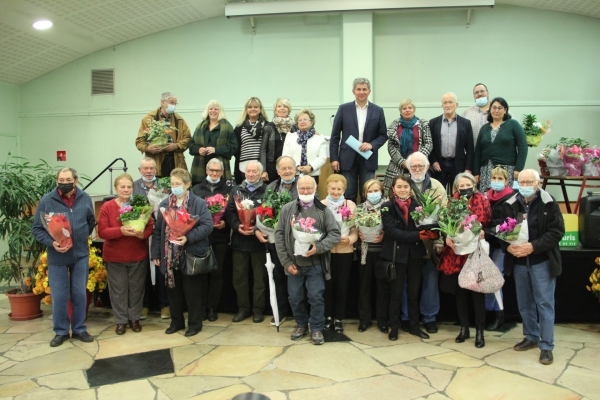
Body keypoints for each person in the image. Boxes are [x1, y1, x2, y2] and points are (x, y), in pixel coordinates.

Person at [500, 169, 564, 365]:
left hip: (541, 261)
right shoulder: (510, 203)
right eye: (521, 182)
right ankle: (531, 336)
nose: (525, 185)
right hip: (519, 263)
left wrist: (533, 247)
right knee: (524, 303)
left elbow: (557, 231)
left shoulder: (549, 202)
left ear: (538, 183)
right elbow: (501, 230)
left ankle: (546, 346)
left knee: (544, 304)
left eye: (529, 182)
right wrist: (508, 247)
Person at [32, 167, 96, 347]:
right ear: (56, 181)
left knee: (79, 294)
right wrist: (52, 243)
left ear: (75, 181)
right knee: (59, 296)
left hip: (80, 255)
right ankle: (60, 331)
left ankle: (79, 329)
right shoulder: (47, 200)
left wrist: (81, 238)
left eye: (68, 180)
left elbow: (91, 222)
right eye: (61, 180)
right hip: (57, 256)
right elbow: (36, 228)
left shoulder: (85, 199)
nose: (64, 183)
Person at [275, 175, 341, 345]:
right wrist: (286, 262)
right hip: (293, 265)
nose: (305, 191)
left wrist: (318, 247)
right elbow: (279, 235)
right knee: (295, 298)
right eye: (302, 188)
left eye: (309, 188)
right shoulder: (287, 209)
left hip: (315, 264)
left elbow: (335, 234)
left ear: (315, 188)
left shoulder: (323, 211)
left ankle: (317, 328)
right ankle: (301, 324)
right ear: (297, 189)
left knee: (316, 297)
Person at [151, 168, 213, 337]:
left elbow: (207, 226)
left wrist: (188, 238)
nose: (174, 187)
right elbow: (158, 231)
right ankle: (176, 322)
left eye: (178, 184)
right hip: (169, 256)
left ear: (187, 184)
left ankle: (194, 324)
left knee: (192, 292)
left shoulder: (198, 203)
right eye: (172, 184)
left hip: (190, 254)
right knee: (173, 291)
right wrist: (155, 254)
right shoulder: (164, 204)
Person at [437, 172, 491, 348]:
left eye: (468, 185)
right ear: (456, 188)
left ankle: (480, 332)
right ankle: (464, 328)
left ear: (474, 185)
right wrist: (446, 237)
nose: (465, 188)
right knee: (459, 293)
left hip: (475, 251)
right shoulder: (451, 202)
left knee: (477, 293)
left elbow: (489, 221)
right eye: (461, 186)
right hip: (457, 253)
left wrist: (483, 232)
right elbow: (444, 224)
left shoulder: (482, 200)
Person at [380, 174, 436, 341]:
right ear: (393, 189)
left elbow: (428, 227)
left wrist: (431, 232)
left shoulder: (419, 206)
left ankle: (414, 326)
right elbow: (392, 232)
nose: (402, 190)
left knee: (413, 292)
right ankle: (394, 327)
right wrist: (419, 236)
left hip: (415, 255)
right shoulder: (387, 206)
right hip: (396, 255)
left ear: (411, 189)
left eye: (406, 187)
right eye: (399, 187)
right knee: (396, 293)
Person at [98, 173, 154, 335]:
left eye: (129, 186)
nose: (126, 189)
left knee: (136, 290)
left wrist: (141, 234)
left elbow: (150, 227)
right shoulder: (107, 207)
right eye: (122, 186)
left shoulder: (141, 205)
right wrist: (120, 231)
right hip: (115, 257)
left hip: (137, 255)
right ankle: (121, 321)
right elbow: (102, 231)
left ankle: (134, 319)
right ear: (116, 188)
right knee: (119, 291)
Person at [399, 152, 448, 334]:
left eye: (421, 166)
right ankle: (406, 316)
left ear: (427, 167)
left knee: (430, 280)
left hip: (430, 242)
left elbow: (443, 214)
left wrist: (440, 240)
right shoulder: (402, 185)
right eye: (413, 167)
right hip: (408, 242)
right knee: (406, 282)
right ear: (408, 168)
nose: (417, 169)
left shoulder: (436, 186)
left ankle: (429, 317)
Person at [256, 156, 301, 325]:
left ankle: (300, 315)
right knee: (279, 277)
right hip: (277, 241)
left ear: (295, 169)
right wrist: (257, 229)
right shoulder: (271, 187)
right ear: (278, 171)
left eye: (290, 167)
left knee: (297, 277)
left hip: (298, 241)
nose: (287, 171)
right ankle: (281, 312)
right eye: (284, 168)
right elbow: (263, 211)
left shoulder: (304, 185)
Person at [330, 77, 387, 203]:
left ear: (369, 91)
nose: (361, 92)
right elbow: (334, 136)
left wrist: (371, 145)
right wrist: (334, 158)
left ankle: (367, 221)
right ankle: (350, 220)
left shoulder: (378, 111)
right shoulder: (343, 109)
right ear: (353, 91)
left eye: (364, 89)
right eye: (359, 89)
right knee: (349, 193)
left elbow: (383, 135)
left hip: (368, 157)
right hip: (347, 157)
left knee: (368, 193)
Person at [225, 161, 268, 323]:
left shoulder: (267, 190)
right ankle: (243, 309)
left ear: (261, 173)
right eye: (248, 171)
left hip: (259, 242)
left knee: (259, 279)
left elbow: (268, 212)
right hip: (239, 241)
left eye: (254, 172)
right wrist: (238, 226)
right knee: (239, 278)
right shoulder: (236, 190)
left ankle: (258, 310)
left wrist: (256, 228)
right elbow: (229, 212)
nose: (251, 174)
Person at [192, 159, 232, 322]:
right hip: (201, 238)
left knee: (217, 273)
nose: (214, 173)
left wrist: (226, 223)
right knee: (201, 274)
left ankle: (212, 308)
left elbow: (231, 212)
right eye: (212, 170)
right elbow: (192, 213)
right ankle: (201, 307)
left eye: (218, 171)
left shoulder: (228, 189)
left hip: (220, 238)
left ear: (222, 173)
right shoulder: (196, 189)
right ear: (206, 171)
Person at [134, 158, 170, 321]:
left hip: (162, 233)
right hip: (141, 235)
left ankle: (165, 305)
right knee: (144, 270)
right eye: (145, 168)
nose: (149, 171)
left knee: (161, 267)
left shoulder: (165, 185)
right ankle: (145, 304)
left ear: (156, 169)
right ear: (140, 170)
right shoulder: (133, 187)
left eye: (151, 168)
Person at [321, 174, 358, 333]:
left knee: (342, 286)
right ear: (327, 188)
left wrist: (349, 239)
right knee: (327, 286)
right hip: (327, 252)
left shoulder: (350, 205)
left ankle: (339, 319)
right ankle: (328, 317)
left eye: (339, 189)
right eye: (333, 188)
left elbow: (355, 229)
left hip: (345, 251)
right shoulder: (321, 204)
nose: (335, 192)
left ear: (344, 189)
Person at [483, 166, 515, 331]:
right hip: (486, 244)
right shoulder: (485, 196)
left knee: (494, 277)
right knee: (486, 278)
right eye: (494, 179)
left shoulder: (512, 199)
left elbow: (507, 224)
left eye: (500, 179)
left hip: (501, 245)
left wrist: (487, 231)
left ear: (507, 181)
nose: (496, 182)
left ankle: (498, 313)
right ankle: (487, 312)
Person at [474, 97, 528, 192]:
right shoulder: (484, 128)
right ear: (490, 109)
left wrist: (519, 168)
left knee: (506, 197)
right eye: (494, 107)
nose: (496, 110)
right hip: (486, 171)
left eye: (500, 108)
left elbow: (523, 147)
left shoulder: (513, 124)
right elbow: (478, 151)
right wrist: (476, 172)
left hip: (507, 170)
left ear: (505, 110)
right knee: (487, 197)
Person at [135, 92, 192, 178]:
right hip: (156, 161)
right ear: (162, 102)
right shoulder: (148, 119)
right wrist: (147, 148)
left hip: (176, 161)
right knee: (158, 188)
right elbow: (139, 142)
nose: (174, 105)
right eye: (171, 102)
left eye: (175, 103)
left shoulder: (180, 120)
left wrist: (176, 146)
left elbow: (188, 139)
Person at [383, 99, 432, 194]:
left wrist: (416, 160)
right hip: (398, 165)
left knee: (419, 193)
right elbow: (391, 146)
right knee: (396, 192)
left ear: (414, 110)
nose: (407, 110)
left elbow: (429, 143)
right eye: (404, 108)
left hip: (418, 165)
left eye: (410, 107)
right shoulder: (394, 125)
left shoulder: (423, 124)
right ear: (400, 111)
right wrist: (402, 162)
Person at [356, 179, 386, 333]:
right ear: (365, 193)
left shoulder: (388, 207)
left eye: (376, 190)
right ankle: (364, 320)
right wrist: (358, 234)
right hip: (365, 253)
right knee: (364, 288)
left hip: (382, 253)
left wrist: (384, 235)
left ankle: (382, 320)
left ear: (382, 191)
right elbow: (353, 225)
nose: (373, 194)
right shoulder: (360, 208)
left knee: (382, 288)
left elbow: (392, 226)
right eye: (370, 191)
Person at [429, 93, 474, 193]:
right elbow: (429, 145)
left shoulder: (465, 123)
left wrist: (468, 168)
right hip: (439, 166)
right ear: (442, 106)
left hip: (458, 165)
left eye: (450, 102)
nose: (448, 105)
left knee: (458, 194)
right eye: (445, 103)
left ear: (456, 105)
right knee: (438, 194)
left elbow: (470, 148)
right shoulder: (433, 123)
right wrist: (433, 161)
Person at [189, 100, 237, 186]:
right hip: (200, 168)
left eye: (216, 109)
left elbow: (234, 147)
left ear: (220, 111)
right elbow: (191, 145)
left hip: (221, 169)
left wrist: (216, 150)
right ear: (207, 111)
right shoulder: (200, 126)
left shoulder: (227, 127)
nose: (213, 111)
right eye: (210, 109)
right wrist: (198, 149)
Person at [282, 108, 327, 184]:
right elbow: (286, 155)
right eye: (300, 120)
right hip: (293, 174)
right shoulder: (290, 136)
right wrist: (296, 166)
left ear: (312, 122)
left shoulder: (320, 138)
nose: (302, 122)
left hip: (312, 174)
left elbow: (322, 157)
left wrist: (311, 167)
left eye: (305, 119)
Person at [234, 97, 269, 184]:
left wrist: (265, 169)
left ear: (260, 109)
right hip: (243, 166)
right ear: (246, 110)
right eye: (250, 107)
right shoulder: (239, 127)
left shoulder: (267, 126)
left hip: (260, 166)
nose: (253, 109)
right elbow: (236, 148)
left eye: (255, 107)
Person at [260, 98, 296, 183]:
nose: (282, 108)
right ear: (275, 110)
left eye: (285, 106)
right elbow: (263, 150)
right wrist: (263, 170)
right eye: (279, 106)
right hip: (272, 166)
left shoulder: (294, 127)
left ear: (289, 110)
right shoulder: (269, 127)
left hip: (289, 166)